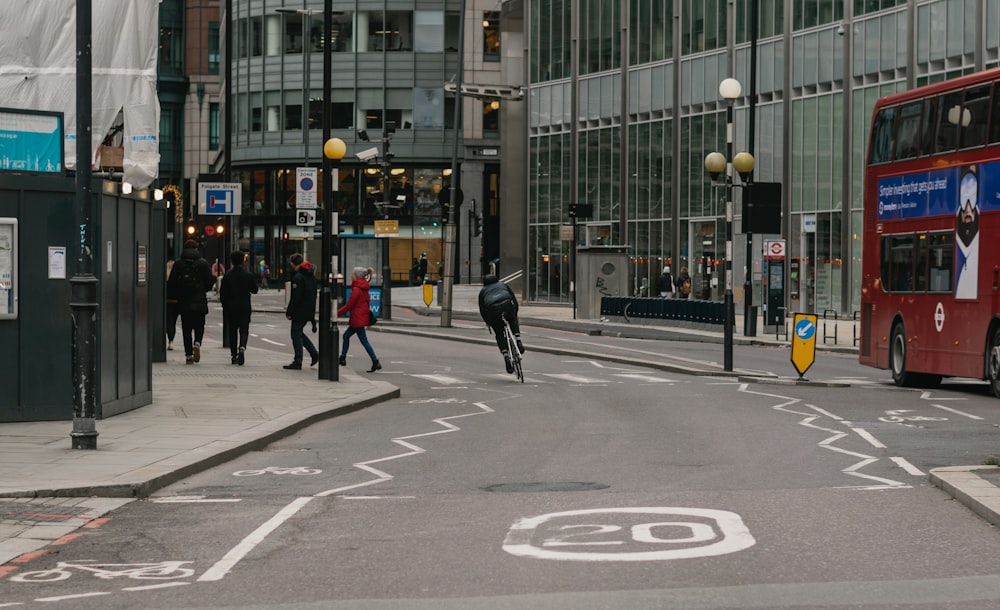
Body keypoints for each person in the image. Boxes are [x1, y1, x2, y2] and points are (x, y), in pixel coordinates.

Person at [166, 239, 215, 364]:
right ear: (196, 249)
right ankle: (197, 343)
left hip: (184, 301)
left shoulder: (178, 263)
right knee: (199, 325)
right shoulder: (203, 263)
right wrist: (203, 289)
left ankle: (188, 355)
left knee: (186, 329)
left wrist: (177, 294)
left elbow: (171, 283)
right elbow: (210, 280)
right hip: (199, 301)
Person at [337, 266, 381, 373]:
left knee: (364, 341)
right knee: (346, 336)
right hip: (359, 317)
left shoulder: (356, 289)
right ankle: (342, 358)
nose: (351, 275)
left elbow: (349, 306)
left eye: (353, 273)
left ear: (356, 275)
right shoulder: (363, 286)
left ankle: (375, 361)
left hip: (358, 319)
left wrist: (336, 313)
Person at [219, 250, 259, 366]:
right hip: (244, 306)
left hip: (231, 307)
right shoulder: (248, 275)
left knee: (232, 331)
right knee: (244, 329)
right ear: (243, 261)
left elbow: (223, 293)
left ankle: (234, 355)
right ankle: (242, 347)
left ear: (232, 262)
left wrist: (225, 306)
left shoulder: (227, 276)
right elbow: (255, 290)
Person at [478, 274, 524, 374]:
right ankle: (518, 339)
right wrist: (515, 312)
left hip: (493, 309)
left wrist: (488, 322)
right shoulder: (503, 284)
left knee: (499, 333)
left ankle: (506, 355)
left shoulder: (483, 291)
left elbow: (482, 310)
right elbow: (513, 299)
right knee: (512, 319)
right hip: (507, 304)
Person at [284, 253, 319, 370]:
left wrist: (289, 312)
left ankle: (298, 360)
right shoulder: (310, 276)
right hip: (308, 309)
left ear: (293, 263)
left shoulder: (298, 277)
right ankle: (314, 353)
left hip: (300, 310)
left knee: (295, 333)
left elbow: (296, 297)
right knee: (298, 332)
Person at [165, 258, 179, 351]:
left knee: (168, 321)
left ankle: (170, 339)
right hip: (176, 301)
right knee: (173, 321)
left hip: (167, 301)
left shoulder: (165, 276)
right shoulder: (177, 276)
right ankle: (171, 340)